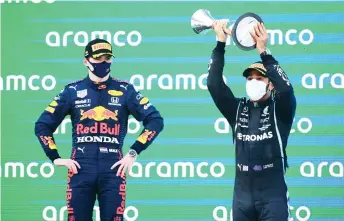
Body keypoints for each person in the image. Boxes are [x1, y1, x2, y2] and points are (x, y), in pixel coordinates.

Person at [34, 38, 164, 221]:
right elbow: (42, 126)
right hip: (80, 168)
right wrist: (55, 158)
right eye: (98, 59)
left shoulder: (126, 90)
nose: (103, 63)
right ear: (86, 61)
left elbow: (155, 121)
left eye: (107, 58)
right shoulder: (72, 91)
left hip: (113, 169)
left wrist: (133, 152)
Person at [207, 20, 296, 221]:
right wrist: (221, 43)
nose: (253, 82)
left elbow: (287, 89)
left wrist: (264, 52)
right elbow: (213, 84)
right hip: (242, 196)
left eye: (259, 78)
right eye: (249, 78)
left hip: (272, 195)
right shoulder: (237, 109)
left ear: (270, 84)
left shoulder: (280, 110)